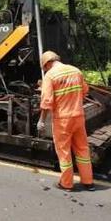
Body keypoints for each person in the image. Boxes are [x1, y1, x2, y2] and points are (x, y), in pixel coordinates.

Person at [37, 51, 95, 192]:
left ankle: (67, 184)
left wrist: (41, 121)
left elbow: (46, 102)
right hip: (78, 116)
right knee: (82, 149)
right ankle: (88, 181)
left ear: (46, 64)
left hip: (63, 120)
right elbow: (85, 91)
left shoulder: (50, 76)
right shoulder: (76, 71)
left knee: (64, 151)